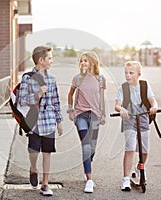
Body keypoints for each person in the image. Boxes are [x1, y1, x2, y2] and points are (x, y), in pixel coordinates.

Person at [18, 46, 63, 196]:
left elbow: (56, 101)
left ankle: (45, 183)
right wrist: (37, 95)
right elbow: (22, 100)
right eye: (49, 58)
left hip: (49, 120)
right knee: (34, 151)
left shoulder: (51, 79)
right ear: (40, 60)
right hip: (34, 121)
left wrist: (59, 121)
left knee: (47, 152)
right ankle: (33, 168)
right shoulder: (27, 78)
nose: (51, 61)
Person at [114, 61, 158, 191]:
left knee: (144, 151)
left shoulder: (144, 86)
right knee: (130, 149)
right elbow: (117, 104)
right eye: (126, 73)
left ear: (138, 74)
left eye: (131, 73)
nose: (127, 75)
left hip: (143, 119)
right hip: (129, 119)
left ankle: (140, 166)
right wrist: (121, 109)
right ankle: (126, 179)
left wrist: (154, 107)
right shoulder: (122, 88)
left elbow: (152, 100)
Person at [67, 51, 106, 193]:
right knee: (86, 145)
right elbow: (70, 94)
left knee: (92, 148)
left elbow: (101, 98)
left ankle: (87, 164)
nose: (83, 63)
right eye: (82, 60)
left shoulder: (100, 79)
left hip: (95, 115)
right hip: (81, 115)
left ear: (93, 63)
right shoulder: (77, 78)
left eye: (86, 61)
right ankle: (89, 180)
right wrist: (71, 110)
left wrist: (103, 115)